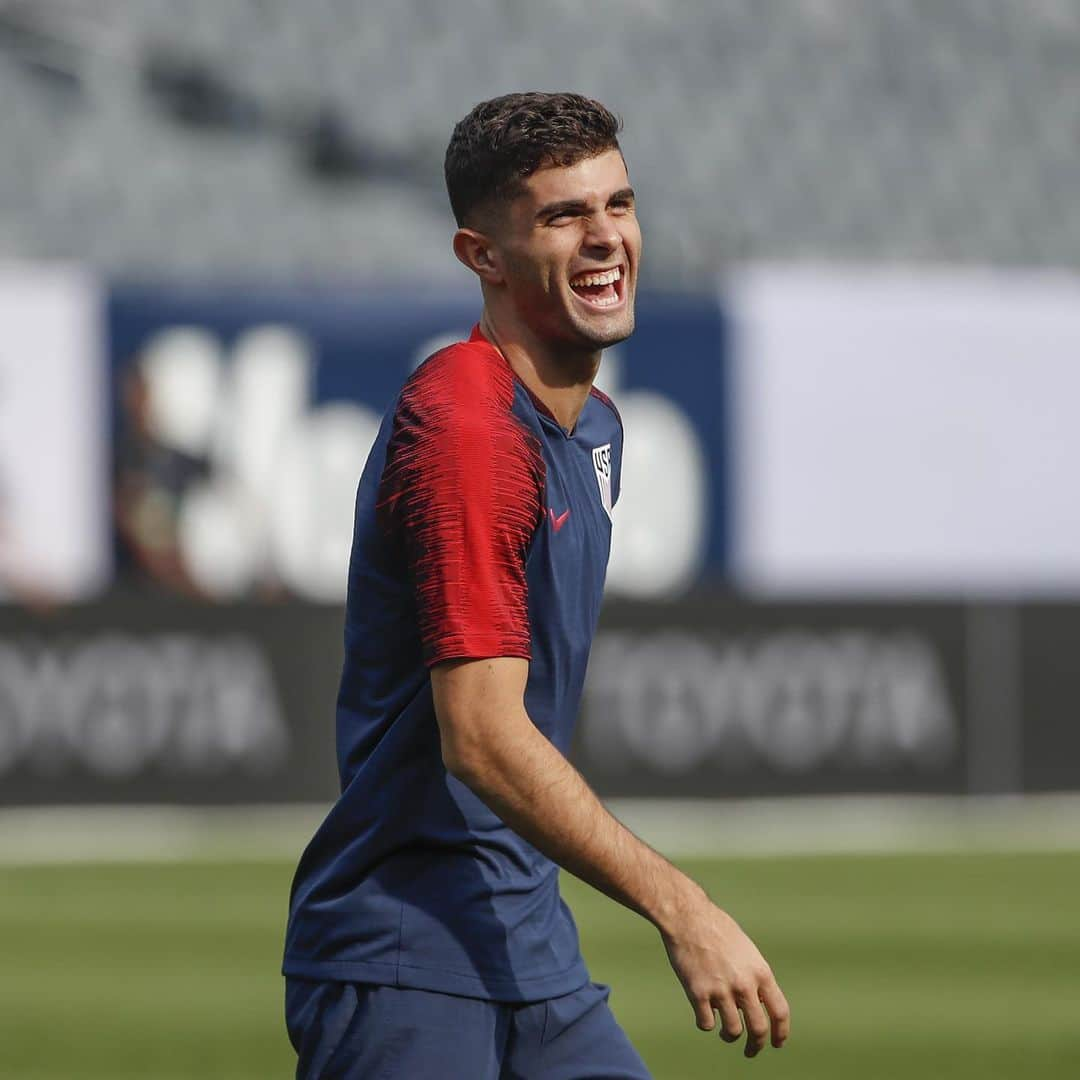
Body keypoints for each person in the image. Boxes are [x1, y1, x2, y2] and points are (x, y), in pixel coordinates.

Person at [283, 91, 790, 1078]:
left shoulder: (593, 423)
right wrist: (684, 909)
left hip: (529, 941)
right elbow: (479, 736)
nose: (606, 238)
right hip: (407, 956)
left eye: (619, 204)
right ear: (483, 255)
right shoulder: (470, 428)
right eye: (563, 216)